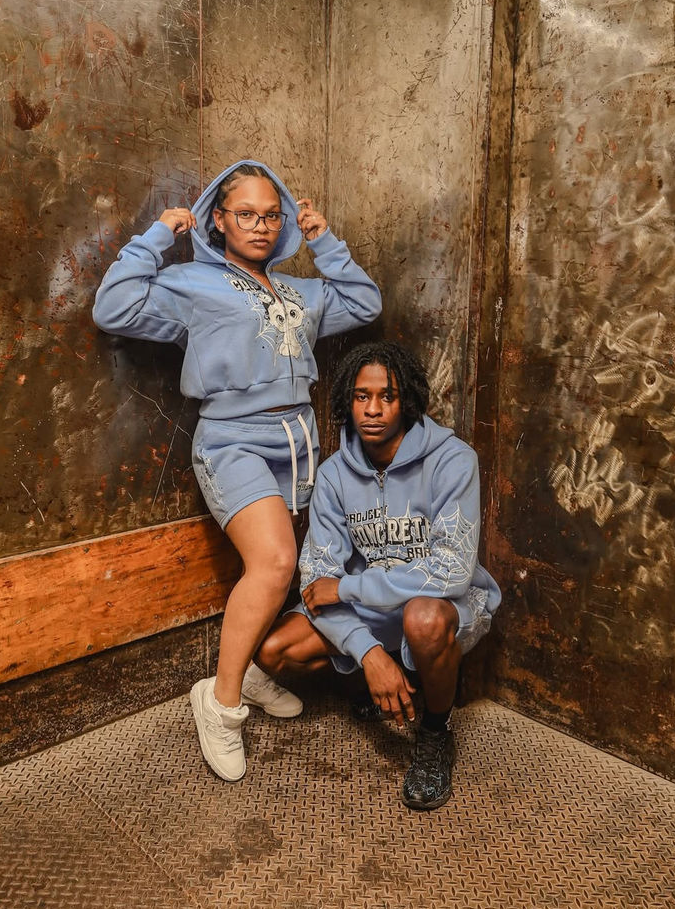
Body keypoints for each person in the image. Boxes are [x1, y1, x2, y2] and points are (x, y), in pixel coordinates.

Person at [92, 160, 381, 782]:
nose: (260, 225)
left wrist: (324, 240)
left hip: (299, 442)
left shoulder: (300, 290)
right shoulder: (193, 282)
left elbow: (364, 302)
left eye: (271, 215)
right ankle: (221, 706)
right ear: (218, 220)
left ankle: (249, 673)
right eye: (245, 214)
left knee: (288, 569)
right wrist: (156, 237)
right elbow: (113, 309)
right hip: (232, 443)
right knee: (273, 563)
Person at [254, 341, 501, 810]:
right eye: (361, 396)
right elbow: (316, 580)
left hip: (442, 604)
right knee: (275, 650)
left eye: (387, 396)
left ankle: (435, 730)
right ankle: (383, 675)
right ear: (347, 401)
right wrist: (368, 655)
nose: (372, 409)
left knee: (423, 620)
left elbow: (451, 570)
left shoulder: (453, 460)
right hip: (374, 609)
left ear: (406, 400)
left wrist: (349, 587)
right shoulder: (334, 475)